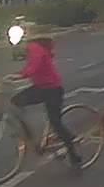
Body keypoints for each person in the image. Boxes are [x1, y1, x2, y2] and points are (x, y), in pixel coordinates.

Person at [11, 34, 82, 169]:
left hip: (52, 89)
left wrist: (19, 76)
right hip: (42, 87)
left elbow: (34, 67)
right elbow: (30, 65)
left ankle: (73, 152)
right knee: (16, 101)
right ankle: (30, 136)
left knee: (56, 123)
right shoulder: (34, 48)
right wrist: (17, 74)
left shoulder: (35, 48)